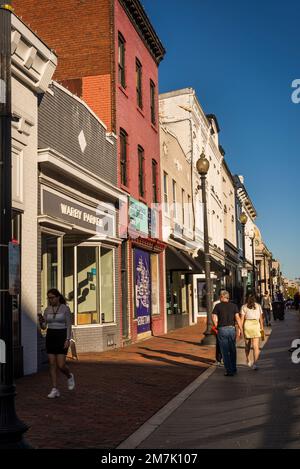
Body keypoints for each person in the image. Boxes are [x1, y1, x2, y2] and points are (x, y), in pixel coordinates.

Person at [38, 288, 75, 398]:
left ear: (58, 297)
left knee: (61, 365)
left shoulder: (65, 309)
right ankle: (54, 388)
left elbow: (69, 325)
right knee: (52, 364)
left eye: (52, 297)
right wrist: (41, 321)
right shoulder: (47, 310)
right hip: (51, 336)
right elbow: (44, 327)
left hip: (62, 336)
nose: (50, 300)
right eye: (48, 298)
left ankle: (69, 376)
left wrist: (68, 339)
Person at [212, 290, 243, 377]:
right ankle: (234, 368)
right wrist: (241, 330)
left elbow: (213, 317)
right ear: (228, 297)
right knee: (232, 349)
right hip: (231, 329)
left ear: (222, 297)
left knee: (225, 351)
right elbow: (237, 318)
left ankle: (229, 371)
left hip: (222, 329)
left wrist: (216, 325)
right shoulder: (234, 306)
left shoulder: (218, 306)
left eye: (220, 296)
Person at [241, 294, 264, 370]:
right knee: (255, 346)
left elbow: (242, 319)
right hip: (255, 325)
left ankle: (248, 359)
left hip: (247, 325)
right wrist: (262, 327)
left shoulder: (244, 307)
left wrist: (240, 329)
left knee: (247, 345)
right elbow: (261, 318)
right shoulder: (258, 306)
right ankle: (255, 364)